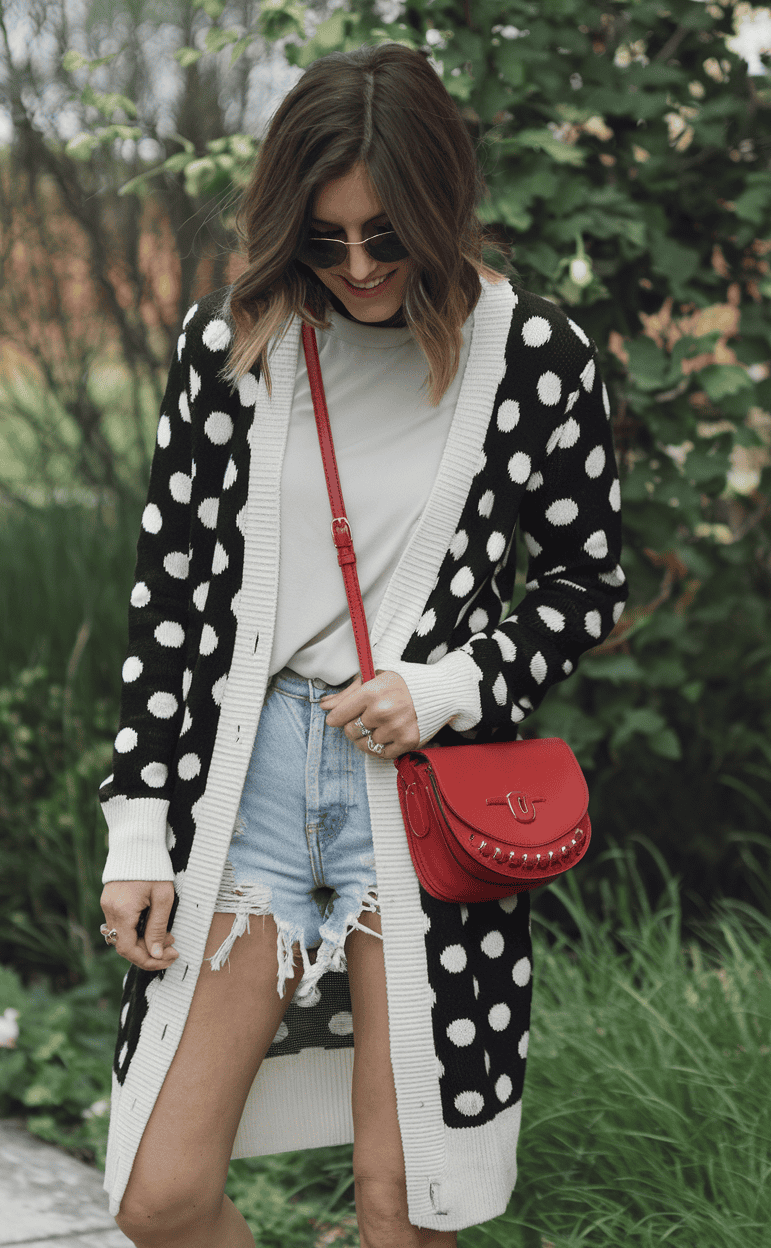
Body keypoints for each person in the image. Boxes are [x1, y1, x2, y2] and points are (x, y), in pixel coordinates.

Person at [97, 40, 627, 1248]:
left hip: (425, 803)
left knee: (404, 1207)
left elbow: (583, 583)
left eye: (386, 237)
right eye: (325, 239)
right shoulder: (229, 348)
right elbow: (168, 599)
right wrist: (137, 830)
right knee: (161, 1197)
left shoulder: (534, 361)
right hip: (246, 793)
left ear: (441, 210)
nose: (357, 266)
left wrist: (447, 685)